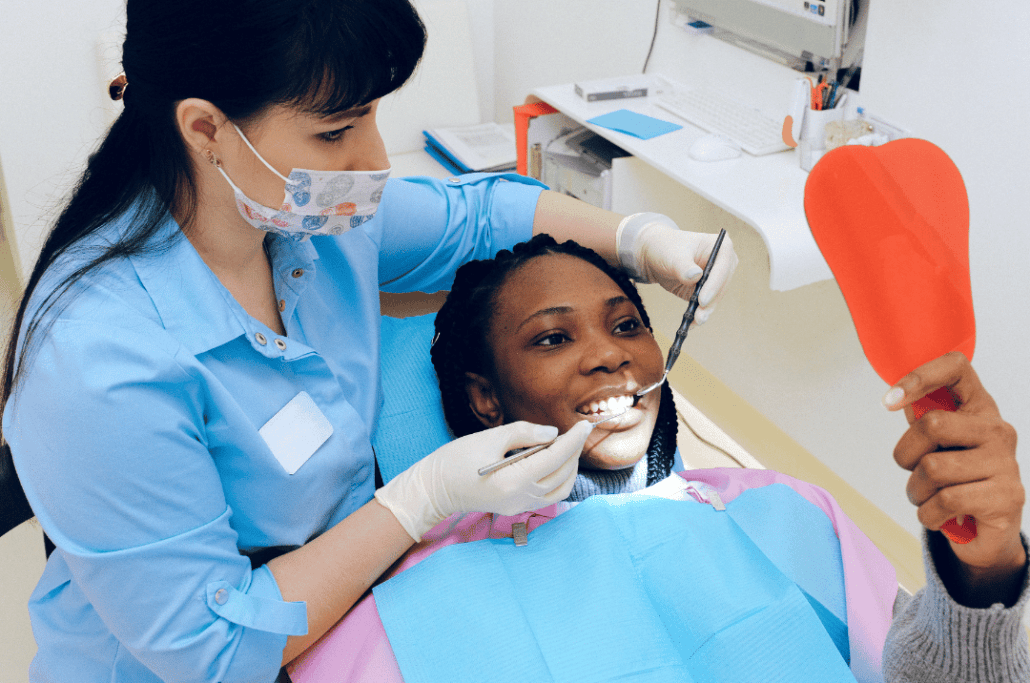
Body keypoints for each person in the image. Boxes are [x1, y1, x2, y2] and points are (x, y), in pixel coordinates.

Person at [0, 3, 741, 682]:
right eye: (334, 133)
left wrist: (640, 240)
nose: (373, 160)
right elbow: (213, 648)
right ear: (205, 129)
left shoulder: (311, 221)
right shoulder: (96, 361)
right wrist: (417, 503)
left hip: (349, 627)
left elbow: (479, 218)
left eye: (372, 117)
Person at [424, 234, 1029, 682]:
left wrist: (982, 574)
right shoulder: (434, 589)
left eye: (627, 325)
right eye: (553, 338)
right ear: (485, 399)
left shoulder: (786, 510)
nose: (610, 354)